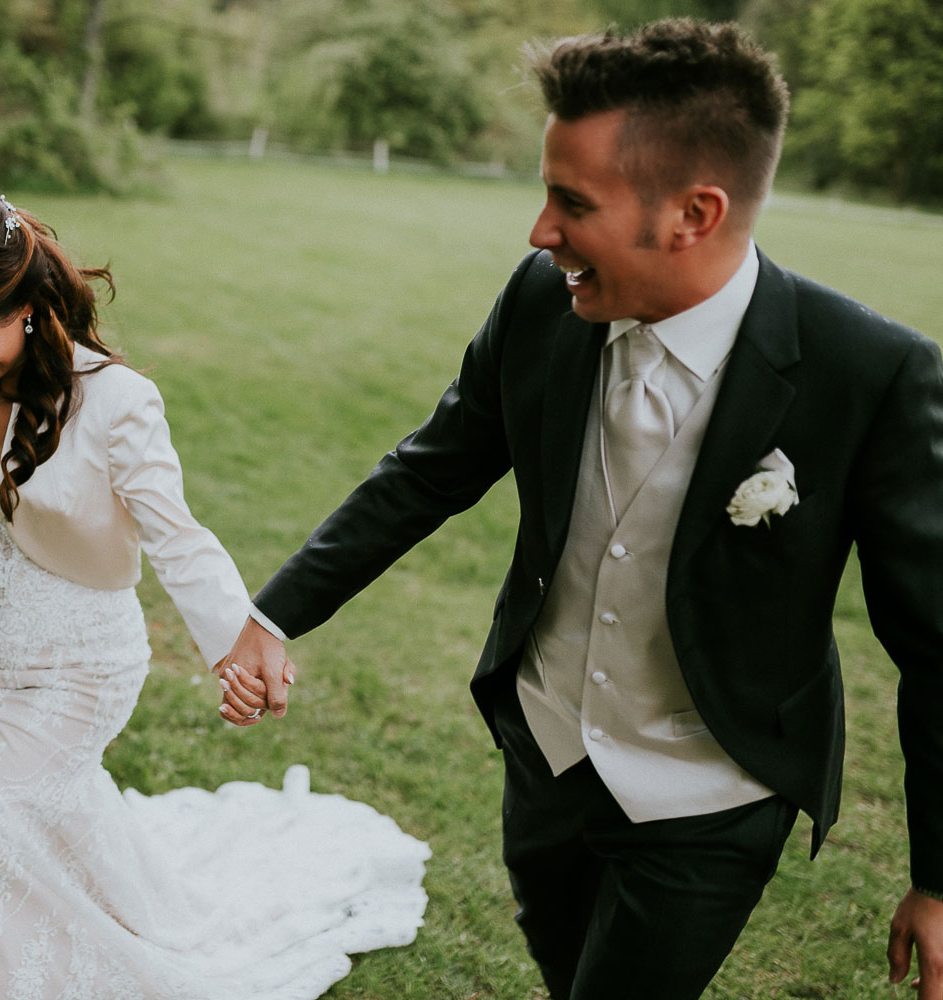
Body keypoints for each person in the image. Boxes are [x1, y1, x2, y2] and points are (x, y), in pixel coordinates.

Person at [217, 18, 943, 1000]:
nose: (539, 231)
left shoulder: (872, 373)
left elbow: (935, 646)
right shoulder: (542, 299)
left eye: (571, 201)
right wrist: (273, 611)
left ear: (694, 211)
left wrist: (938, 876)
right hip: (546, 758)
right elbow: (433, 468)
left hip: (710, 796)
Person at [0, 186, 429, 1000]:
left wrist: (236, 643)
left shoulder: (115, 402)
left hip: (81, 667)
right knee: (20, 828)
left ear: (28, 308)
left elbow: (177, 538)